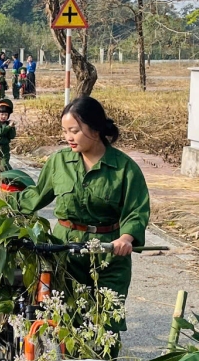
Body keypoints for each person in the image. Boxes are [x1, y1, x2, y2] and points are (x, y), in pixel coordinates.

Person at [11, 96, 150, 336]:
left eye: (74, 130)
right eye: (65, 131)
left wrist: (126, 239)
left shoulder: (124, 168)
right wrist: (2, 200)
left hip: (108, 255)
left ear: (94, 129)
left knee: (106, 326)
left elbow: (136, 210)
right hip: (67, 254)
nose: (68, 137)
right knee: (68, 322)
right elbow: (35, 196)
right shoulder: (59, 162)